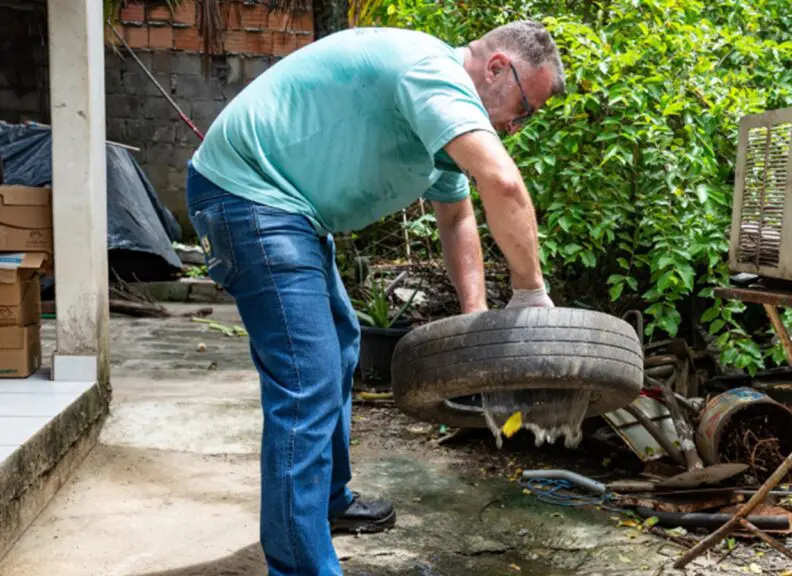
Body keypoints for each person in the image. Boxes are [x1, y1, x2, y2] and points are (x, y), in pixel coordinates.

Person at [184, 20, 565, 576]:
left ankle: (325, 503)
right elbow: (502, 182)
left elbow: (457, 215)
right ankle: (300, 566)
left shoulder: (441, 107)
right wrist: (530, 291)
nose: (516, 125)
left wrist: (476, 322)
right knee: (306, 380)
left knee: (341, 346)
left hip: (289, 210)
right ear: (497, 68)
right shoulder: (432, 74)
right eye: (524, 108)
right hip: (249, 196)